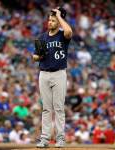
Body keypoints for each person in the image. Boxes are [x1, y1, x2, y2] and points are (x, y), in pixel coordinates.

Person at [33, 7, 72, 148]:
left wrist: (60, 16)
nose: (50, 22)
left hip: (59, 73)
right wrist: (37, 56)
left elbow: (69, 32)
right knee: (46, 109)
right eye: (49, 20)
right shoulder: (43, 37)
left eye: (53, 20)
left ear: (59, 22)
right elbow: (35, 56)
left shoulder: (62, 35)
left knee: (59, 108)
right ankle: (45, 139)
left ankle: (60, 138)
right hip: (43, 73)